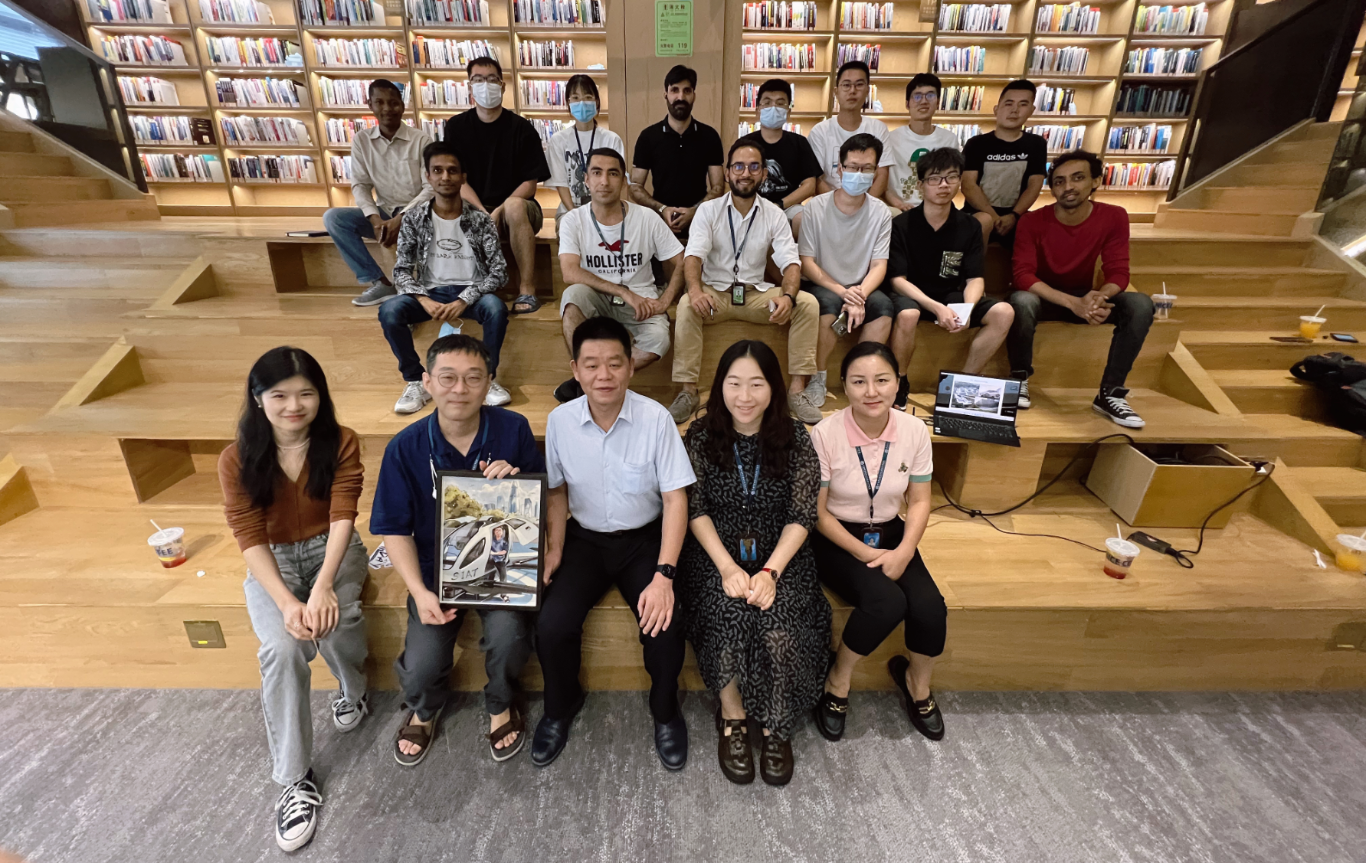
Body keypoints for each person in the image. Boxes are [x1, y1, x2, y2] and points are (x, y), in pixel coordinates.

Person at [217, 346, 369, 853]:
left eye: (306, 393)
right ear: (258, 398)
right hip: (273, 559)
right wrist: (286, 602)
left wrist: (323, 586)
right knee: (283, 649)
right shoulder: (236, 458)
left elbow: (344, 513)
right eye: (279, 395)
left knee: (340, 621)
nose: (294, 406)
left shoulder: (341, 441)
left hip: (333, 549)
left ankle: (354, 690)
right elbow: (248, 534)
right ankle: (293, 780)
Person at [369, 334, 544, 767]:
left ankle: (501, 703)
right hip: (434, 573)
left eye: (473, 378)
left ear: (489, 383)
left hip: (501, 566)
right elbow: (393, 529)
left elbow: (538, 505)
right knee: (422, 664)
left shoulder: (514, 429)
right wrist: (419, 591)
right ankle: (424, 708)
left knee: (509, 635)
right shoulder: (404, 447)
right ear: (427, 382)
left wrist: (515, 486)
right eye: (447, 378)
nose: (460, 389)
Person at [532, 317, 696, 770]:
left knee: (664, 623)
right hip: (584, 540)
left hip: (644, 540)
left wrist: (664, 574)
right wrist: (555, 548)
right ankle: (560, 706)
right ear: (575, 369)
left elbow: (675, 499)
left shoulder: (656, 419)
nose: (603, 375)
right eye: (591, 365)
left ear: (631, 366)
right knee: (552, 623)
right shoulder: (560, 421)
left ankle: (665, 712)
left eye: (614, 363)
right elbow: (557, 491)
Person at [679, 340, 830, 786]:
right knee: (726, 616)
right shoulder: (701, 436)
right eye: (734, 384)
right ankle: (733, 717)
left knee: (779, 625)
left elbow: (802, 514)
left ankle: (776, 724)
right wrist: (728, 568)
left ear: (774, 388)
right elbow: (695, 509)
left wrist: (770, 572)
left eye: (756, 384)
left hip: (781, 556)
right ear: (720, 386)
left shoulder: (796, 437)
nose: (744, 396)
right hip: (716, 553)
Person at [809, 342, 946, 744]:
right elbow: (818, 514)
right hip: (837, 536)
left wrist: (904, 550)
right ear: (844, 386)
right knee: (887, 602)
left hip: (891, 531)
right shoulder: (825, 433)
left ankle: (917, 683)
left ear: (898, 383)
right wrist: (868, 553)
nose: (871, 391)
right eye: (859, 382)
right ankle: (838, 679)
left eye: (882, 380)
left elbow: (919, 501)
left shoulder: (914, 431)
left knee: (930, 607)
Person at [669, 139, 823, 426]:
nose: (745, 173)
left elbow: (791, 263)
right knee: (688, 304)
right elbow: (693, 257)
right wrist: (696, 290)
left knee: (807, 303)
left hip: (755, 295)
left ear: (764, 174)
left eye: (754, 167)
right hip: (715, 295)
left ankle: (796, 392)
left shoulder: (774, 214)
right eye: (738, 166)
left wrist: (788, 297)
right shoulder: (709, 210)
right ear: (728, 172)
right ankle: (688, 392)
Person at [1009, 149, 1152, 428]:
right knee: (1021, 301)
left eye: (1077, 178)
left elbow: (1118, 271)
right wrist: (1073, 304)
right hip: (1045, 298)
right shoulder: (1031, 221)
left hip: (1085, 296)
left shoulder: (1114, 216)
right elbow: (1023, 275)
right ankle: (1019, 379)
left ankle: (1111, 393)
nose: (1068, 187)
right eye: (1059, 181)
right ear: (1052, 188)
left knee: (1141, 304)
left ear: (1095, 181)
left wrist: (1098, 298)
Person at [382, 140, 511, 413]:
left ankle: (487, 379)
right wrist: (422, 298)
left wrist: (465, 299)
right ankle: (415, 380)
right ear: (427, 176)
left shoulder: (480, 220)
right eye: (437, 170)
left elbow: (499, 272)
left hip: (472, 293)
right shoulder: (414, 218)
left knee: (496, 308)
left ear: (463, 177)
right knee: (390, 311)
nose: (445, 177)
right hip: (429, 292)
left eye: (452, 171)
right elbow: (401, 270)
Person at [884, 147, 1014, 409]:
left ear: (959, 182)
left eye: (951, 177)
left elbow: (975, 278)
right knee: (908, 314)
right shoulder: (902, 224)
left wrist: (967, 309)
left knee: (1004, 312)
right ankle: (900, 381)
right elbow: (898, 280)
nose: (943, 185)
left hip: (951, 294)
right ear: (921, 185)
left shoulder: (970, 225)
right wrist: (935, 307)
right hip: (912, 295)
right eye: (934, 178)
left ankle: (963, 385)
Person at [553, 147, 685, 402]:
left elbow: (682, 261)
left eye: (613, 173)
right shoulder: (573, 220)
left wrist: (665, 300)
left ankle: (594, 379)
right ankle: (590, 379)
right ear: (586, 180)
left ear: (624, 182)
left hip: (641, 302)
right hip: (599, 298)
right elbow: (569, 272)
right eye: (597, 173)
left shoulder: (646, 217)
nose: (604, 181)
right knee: (572, 297)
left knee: (660, 340)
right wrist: (622, 291)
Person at [443, 55, 551, 314]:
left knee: (514, 206)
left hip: (519, 210)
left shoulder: (522, 128)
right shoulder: (456, 127)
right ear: (470, 87)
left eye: (492, 79)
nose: (485, 85)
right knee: (447, 208)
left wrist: (499, 211)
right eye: (478, 80)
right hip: (473, 205)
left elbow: (530, 184)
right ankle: (467, 288)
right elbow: (458, 180)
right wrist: (483, 213)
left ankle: (527, 289)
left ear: (502, 86)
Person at [798, 132, 894, 409]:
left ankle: (860, 377)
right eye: (853, 167)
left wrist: (859, 295)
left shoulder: (881, 212)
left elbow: (879, 264)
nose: (858, 174)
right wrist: (843, 292)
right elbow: (807, 262)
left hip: (862, 286)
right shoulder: (815, 208)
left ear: (876, 172)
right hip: (824, 284)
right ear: (840, 169)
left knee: (884, 308)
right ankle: (818, 378)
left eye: (866, 169)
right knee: (827, 305)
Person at [322, 79, 433, 307]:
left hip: (417, 213)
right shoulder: (362, 140)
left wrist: (401, 218)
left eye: (393, 103)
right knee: (334, 218)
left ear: (402, 106)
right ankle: (380, 282)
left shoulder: (421, 140)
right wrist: (375, 219)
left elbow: (430, 187)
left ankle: (412, 289)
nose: (387, 109)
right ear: (370, 105)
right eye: (379, 102)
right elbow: (360, 185)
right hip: (383, 212)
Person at [630, 65, 725, 237]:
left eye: (687, 91)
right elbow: (635, 186)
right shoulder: (648, 137)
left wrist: (695, 211)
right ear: (665, 94)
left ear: (694, 95)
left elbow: (718, 187)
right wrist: (662, 209)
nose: (680, 97)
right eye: (674, 90)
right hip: (659, 223)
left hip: (701, 223)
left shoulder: (710, 136)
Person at [961, 79, 1047, 248]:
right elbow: (968, 185)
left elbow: (1034, 185)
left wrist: (1014, 216)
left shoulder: (1036, 144)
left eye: (1023, 104)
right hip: (979, 213)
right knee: (979, 224)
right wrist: (993, 217)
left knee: (1042, 230)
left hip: (1016, 215)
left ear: (1031, 110)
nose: (1014, 110)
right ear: (996, 109)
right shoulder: (976, 143)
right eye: (1009, 103)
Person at [737, 78, 821, 232]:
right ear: (758, 110)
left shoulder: (799, 143)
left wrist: (779, 205)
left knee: (805, 219)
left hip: (788, 206)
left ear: (788, 111)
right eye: (767, 102)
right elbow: (734, 180)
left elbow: (810, 185)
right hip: (750, 204)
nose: (773, 108)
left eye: (780, 103)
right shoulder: (744, 144)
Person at [544, 74, 626, 222]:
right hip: (569, 213)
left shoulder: (611, 139)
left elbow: (617, 181)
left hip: (605, 211)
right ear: (568, 103)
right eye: (575, 98)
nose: (582, 103)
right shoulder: (558, 141)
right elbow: (561, 184)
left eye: (588, 97)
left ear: (597, 102)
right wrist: (576, 216)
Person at [806, 61, 894, 198]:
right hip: (830, 202)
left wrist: (865, 205)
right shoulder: (820, 131)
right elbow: (817, 179)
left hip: (869, 201)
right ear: (836, 92)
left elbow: (882, 174)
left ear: (867, 91)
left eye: (859, 85)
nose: (852, 91)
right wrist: (839, 204)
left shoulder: (878, 128)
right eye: (846, 85)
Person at [883, 73, 961, 213]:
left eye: (930, 95)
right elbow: (882, 181)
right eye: (917, 96)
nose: (924, 101)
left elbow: (953, 180)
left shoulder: (949, 139)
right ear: (907, 104)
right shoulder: (890, 138)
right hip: (900, 209)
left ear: (938, 102)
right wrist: (898, 204)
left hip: (937, 209)